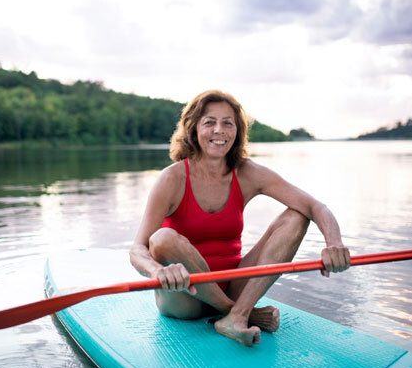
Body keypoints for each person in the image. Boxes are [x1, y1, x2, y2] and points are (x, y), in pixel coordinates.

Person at [129, 90, 350, 347]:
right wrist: (159, 270)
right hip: (184, 296)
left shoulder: (247, 173)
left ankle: (236, 314)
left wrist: (334, 242)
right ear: (193, 129)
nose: (219, 130)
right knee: (162, 238)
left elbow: (314, 206)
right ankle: (238, 313)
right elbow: (137, 249)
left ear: (238, 131)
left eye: (228, 123)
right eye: (209, 122)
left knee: (297, 216)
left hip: (233, 285)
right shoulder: (171, 179)